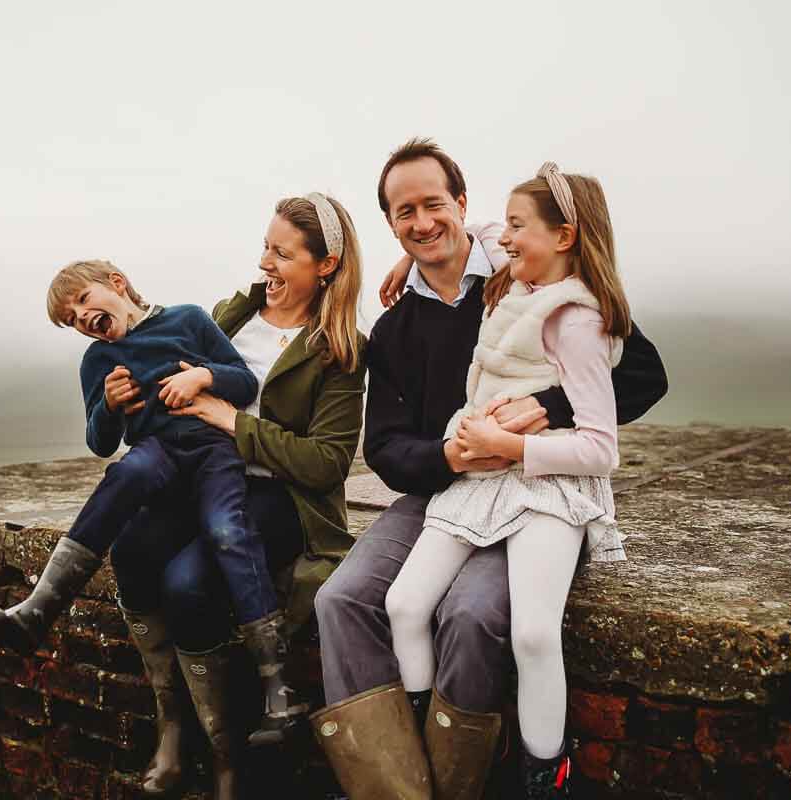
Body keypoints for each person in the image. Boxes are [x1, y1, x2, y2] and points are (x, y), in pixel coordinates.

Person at [310, 139, 668, 800]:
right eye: (403, 212)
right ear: (389, 223)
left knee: (471, 613)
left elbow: (643, 372)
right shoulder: (393, 329)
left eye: (433, 204)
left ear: (463, 203)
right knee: (340, 598)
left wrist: (546, 406)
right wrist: (447, 455)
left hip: (531, 492)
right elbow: (386, 449)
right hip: (442, 490)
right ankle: (392, 787)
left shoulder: (522, 272)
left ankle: (458, 780)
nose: (420, 223)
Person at [0, 258, 310, 757]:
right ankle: (38, 610)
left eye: (84, 301)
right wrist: (108, 406)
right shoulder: (97, 362)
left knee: (228, 532)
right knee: (127, 471)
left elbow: (243, 382)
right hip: (158, 455)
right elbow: (100, 442)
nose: (82, 318)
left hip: (214, 451)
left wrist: (202, 378)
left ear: (117, 284)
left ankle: (278, 687)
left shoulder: (189, 320)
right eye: (71, 320)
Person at [104, 194, 367, 800]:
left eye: (282, 253)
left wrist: (231, 420)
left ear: (325, 266)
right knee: (134, 548)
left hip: (281, 498)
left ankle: (228, 760)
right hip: (200, 478)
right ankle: (172, 726)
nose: (265, 263)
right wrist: (125, 396)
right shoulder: (230, 315)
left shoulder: (340, 349)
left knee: (191, 584)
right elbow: (171, 391)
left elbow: (325, 462)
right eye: (265, 247)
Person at [387, 162, 628, 798]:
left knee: (531, 630)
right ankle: (426, 759)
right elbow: (484, 230)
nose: (507, 240)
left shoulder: (576, 318)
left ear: (566, 237)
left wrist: (509, 444)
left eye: (520, 228)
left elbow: (601, 449)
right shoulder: (511, 292)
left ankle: (546, 776)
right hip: (482, 475)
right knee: (404, 604)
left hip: (547, 484)